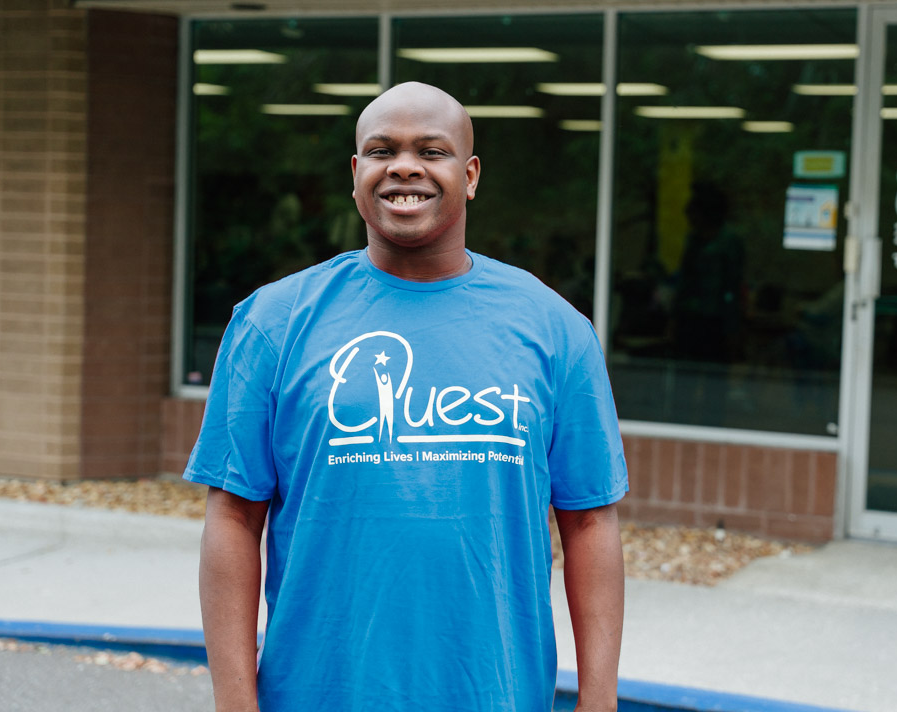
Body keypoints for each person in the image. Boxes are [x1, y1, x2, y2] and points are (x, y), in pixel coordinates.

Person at [184, 81, 629, 712]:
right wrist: (235, 702)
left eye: (432, 150)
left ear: (470, 175)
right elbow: (232, 519)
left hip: (497, 693)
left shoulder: (554, 330)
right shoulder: (273, 323)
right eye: (381, 149)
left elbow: (589, 520)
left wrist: (599, 699)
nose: (404, 167)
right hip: (316, 694)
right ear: (357, 172)